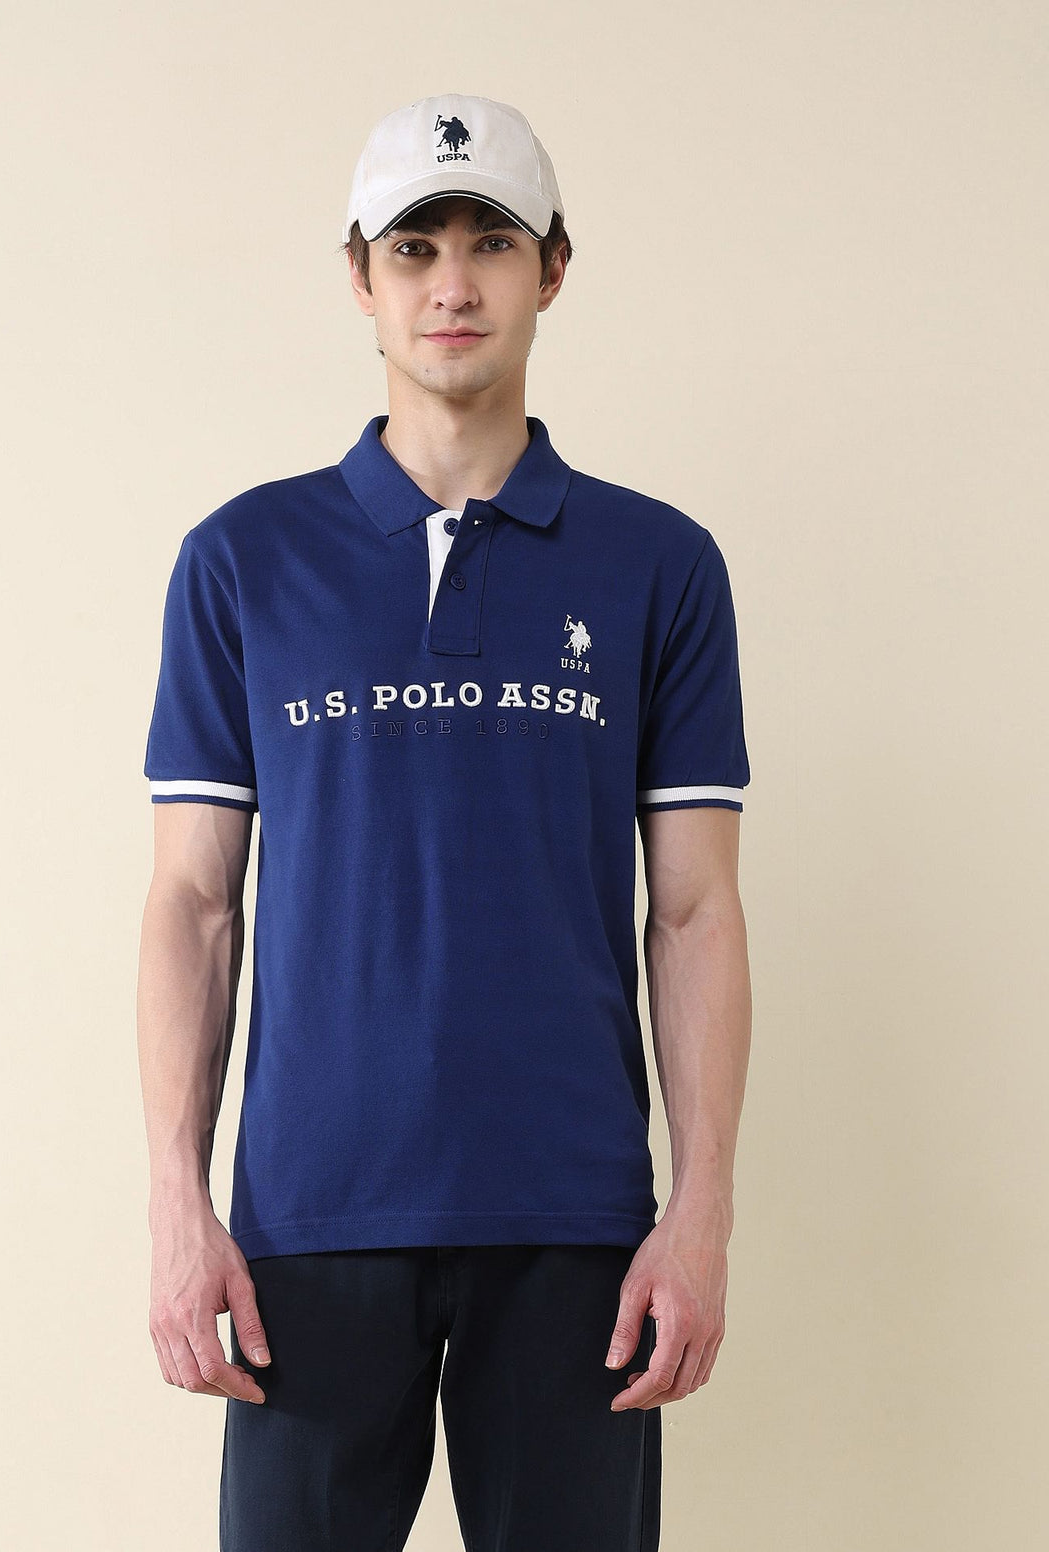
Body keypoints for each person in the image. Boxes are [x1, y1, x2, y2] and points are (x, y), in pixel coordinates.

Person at [137, 91, 752, 1552]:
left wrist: (702, 1210)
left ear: (554, 268)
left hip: (575, 1220)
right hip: (308, 1218)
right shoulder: (242, 560)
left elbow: (695, 909)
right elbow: (193, 906)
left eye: (491, 243)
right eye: (414, 248)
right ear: (361, 277)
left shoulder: (660, 564)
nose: (453, 284)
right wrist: (177, 1202)